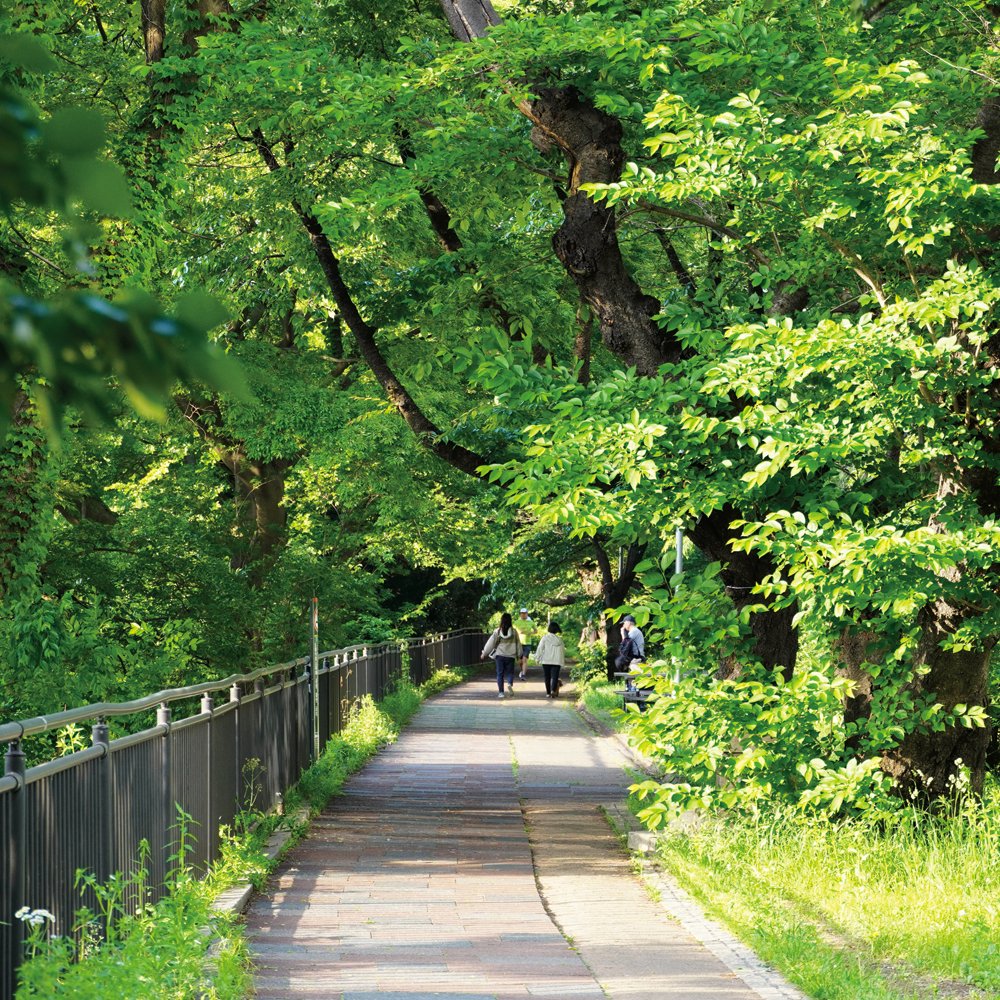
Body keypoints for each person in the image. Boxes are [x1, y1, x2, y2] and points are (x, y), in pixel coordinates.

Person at [482, 612, 522, 699]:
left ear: (502, 621)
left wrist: (484, 653)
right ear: (510, 621)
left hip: (500, 656)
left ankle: (501, 693)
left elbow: (490, 643)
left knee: (500, 674)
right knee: (510, 673)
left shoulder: (498, 631)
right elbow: (518, 644)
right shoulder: (514, 632)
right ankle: (509, 683)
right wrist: (519, 655)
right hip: (510, 656)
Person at [535, 620, 566, 698]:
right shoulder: (559, 640)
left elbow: (540, 648)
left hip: (546, 660)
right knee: (555, 677)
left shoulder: (545, 638)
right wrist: (562, 662)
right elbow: (562, 651)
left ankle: (548, 693)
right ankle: (553, 690)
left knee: (547, 677)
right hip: (556, 661)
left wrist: (537, 658)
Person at [614, 614, 646, 685]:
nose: (623, 626)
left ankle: (632, 688)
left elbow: (625, 646)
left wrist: (622, 633)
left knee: (619, 661)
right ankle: (630, 687)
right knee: (620, 662)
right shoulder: (635, 631)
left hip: (637, 658)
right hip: (636, 657)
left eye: (624, 623)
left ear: (628, 622)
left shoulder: (634, 631)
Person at [516, 607, 539, 681]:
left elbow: (536, 631)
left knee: (524, 659)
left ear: (527, 614)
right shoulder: (516, 622)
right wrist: (518, 632)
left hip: (527, 643)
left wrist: (530, 632)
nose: (523, 615)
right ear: (520, 614)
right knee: (520, 661)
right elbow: (512, 632)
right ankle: (522, 670)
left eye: (525, 613)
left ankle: (523, 675)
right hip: (519, 643)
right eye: (522, 613)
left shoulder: (531, 622)